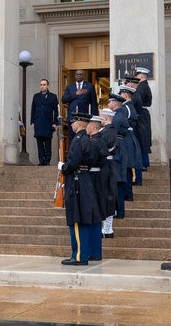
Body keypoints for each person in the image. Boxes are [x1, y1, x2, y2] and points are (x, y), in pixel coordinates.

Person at [57, 113, 101, 265]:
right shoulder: (88, 140)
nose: (72, 124)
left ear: (80, 123)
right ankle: (84, 253)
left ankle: (79, 256)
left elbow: (73, 162)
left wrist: (64, 167)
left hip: (76, 182)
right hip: (85, 179)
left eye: (73, 122)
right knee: (83, 218)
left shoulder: (77, 140)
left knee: (77, 219)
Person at [86, 115, 109, 259]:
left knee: (93, 216)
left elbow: (91, 160)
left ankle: (93, 252)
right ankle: (94, 252)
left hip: (94, 180)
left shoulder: (96, 141)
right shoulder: (98, 140)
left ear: (93, 126)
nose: (86, 127)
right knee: (95, 216)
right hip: (98, 179)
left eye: (88, 124)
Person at [108, 92, 135, 216]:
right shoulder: (121, 114)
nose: (108, 104)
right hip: (121, 147)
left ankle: (119, 211)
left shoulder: (117, 116)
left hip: (117, 148)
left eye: (109, 103)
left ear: (114, 104)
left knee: (117, 181)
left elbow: (114, 132)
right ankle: (119, 210)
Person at [96, 108, 119, 239]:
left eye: (100, 117)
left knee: (107, 195)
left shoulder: (107, 132)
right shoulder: (109, 131)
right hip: (107, 165)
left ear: (105, 118)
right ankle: (107, 228)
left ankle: (107, 228)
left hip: (105, 166)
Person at [118, 85, 143, 196]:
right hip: (131, 136)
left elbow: (120, 123)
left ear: (125, 95)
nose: (119, 96)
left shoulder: (125, 108)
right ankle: (128, 192)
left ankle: (127, 193)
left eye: (121, 94)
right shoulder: (131, 107)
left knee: (125, 166)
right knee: (127, 166)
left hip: (126, 137)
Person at [61, 69, 98, 138]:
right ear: (75, 76)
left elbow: (94, 103)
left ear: (83, 76)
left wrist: (94, 118)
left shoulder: (89, 86)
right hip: (72, 118)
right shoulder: (70, 87)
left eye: (80, 74)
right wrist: (76, 94)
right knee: (72, 140)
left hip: (84, 118)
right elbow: (63, 100)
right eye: (77, 74)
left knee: (84, 138)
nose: (79, 76)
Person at [30, 78, 59, 166]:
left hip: (48, 122)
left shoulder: (53, 96)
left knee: (47, 142)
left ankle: (47, 160)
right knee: (39, 142)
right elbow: (33, 109)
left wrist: (55, 123)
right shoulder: (36, 96)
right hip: (38, 121)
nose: (42, 86)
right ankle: (41, 160)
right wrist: (32, 121)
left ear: (48, 85)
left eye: (44, 85)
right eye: (41, 85)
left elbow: (56, 111)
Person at [134, 67, 153, 170]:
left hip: (141, 114)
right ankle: (144, 163)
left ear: (141, 76)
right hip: (143, 114)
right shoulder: (143, 86)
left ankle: (143, 163)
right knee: (142, 139)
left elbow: (138, 100)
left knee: (141, 139)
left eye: (137, 76)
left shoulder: (142, 86)